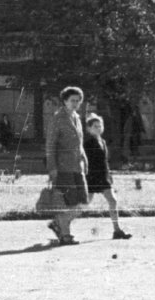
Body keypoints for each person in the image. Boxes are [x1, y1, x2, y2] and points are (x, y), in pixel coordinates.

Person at [43, 86, 89, 245]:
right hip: (63, 167)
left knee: (82, 202)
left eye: (78, 100)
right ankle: (65, 235)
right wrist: (52, 168)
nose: (75, 103)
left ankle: (58, 225)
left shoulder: (76, 117)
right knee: (70, 202)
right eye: (72, 100)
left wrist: (85, 160)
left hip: (78, 167)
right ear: (65, 101)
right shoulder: (58, 118)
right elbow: (50, 145)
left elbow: (79, 143)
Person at [82, 115, 131, 240]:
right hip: (91, 177)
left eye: (100, 126)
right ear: (89, 129)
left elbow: (104, 161)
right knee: (83, 203)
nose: (98, 128)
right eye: (95, 126)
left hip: (102, 177)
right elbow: (83, 160)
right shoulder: (87, 144)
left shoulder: (102, 142)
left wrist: (109, 174)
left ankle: (117, 230)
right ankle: (62, 224)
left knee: (113, 200)